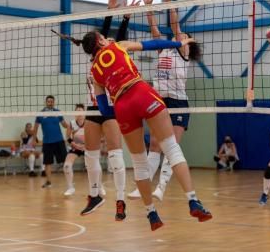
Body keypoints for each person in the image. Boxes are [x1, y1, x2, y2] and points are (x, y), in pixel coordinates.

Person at [69, 29, 212, 231]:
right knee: (171, 148)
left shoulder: (94, 73)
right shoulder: (119, 45)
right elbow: (153, 45)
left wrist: (121, 109)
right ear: (101, 40)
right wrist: (179, 45)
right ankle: (192, 200)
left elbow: (102, 107)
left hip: (122, 105)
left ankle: (151, 213)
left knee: (139, 163)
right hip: (141, 91)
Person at [128, 0, 201, 202]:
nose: (179, 36)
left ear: (188, 42)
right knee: (154, 145)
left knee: (171, 147)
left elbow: (176, 27)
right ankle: (145, 186)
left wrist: (170, 4)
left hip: (178, 102)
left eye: (184, 37)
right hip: (159, 100)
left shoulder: (183, 52)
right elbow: (154, 30)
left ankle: (161, 187)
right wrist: (149, 8)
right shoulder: (164, 50)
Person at [80, 0, 139, 221]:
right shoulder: (96, 58)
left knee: (115, 156)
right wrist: (110, 11)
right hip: (92, 108)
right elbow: (101, 35)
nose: (107, 40)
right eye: (103, 39)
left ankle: (120, 200)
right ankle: (95, 195)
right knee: (90, 156)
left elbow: (115, 37)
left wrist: (123, 18)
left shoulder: (113, 53)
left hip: (113, 108)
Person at [33, 95, 69, 188]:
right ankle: (49, 182)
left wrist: (72, 126)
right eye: (48, 101)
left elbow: (64, 124)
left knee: (66, 161)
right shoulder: (41, 114)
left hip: (59, 141)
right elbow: (36, 127)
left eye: (52, 101)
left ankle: (69, 181)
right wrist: (33, 139)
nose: (50, 103)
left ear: (54, 102)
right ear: (46, 102)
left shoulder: (57, 112)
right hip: (47, 142)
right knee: (47, 162)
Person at [62, 104, 86, 197]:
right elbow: (68, 137)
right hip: (75, 147)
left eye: (81, 111)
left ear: (84, 113)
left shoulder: (89, 122)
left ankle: (99, 186)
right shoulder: (71, 123)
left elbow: (94, 136)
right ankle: (70, 187)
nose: (79, 113)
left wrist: (87, 145)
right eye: (77, 111)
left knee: (94, 166)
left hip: (87, 147)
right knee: (67, 166)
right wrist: (74, 144)